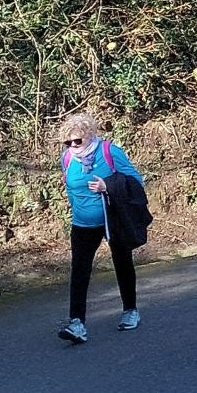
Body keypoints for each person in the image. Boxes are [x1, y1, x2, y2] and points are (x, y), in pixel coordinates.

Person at [55, 112, 150, 344]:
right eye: (68, 142)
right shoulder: (67, 159)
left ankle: (130, 310)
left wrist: (108, 185)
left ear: (90, 135)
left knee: (122, 262)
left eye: (77, 141)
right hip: (82, 224)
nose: (73, 146)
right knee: (79, 270)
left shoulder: (109, 152)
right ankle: (77, 323)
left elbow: (136, 181)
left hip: (113, 219)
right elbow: (71, 190)